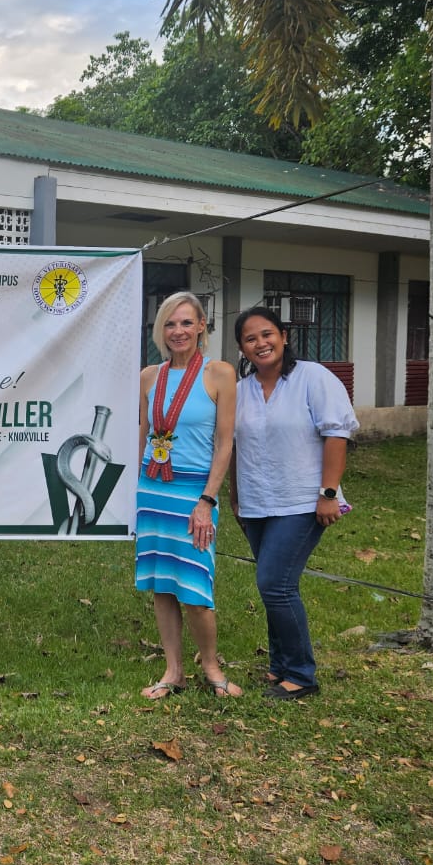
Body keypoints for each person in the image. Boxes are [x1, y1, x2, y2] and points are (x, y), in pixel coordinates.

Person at [230, 306, 358, 700]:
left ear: (284, 336)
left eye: (267, 334)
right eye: (250, 338)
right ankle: (279, 666)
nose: (260, 343)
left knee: (275, 584)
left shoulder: (313, 377)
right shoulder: (240, 391)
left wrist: (328, 494)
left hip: (302, 501)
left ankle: (301, 674)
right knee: (275, 585)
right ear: (242, 348)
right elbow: (233, 447)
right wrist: (235, 498)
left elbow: (337, 434)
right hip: (255, 503)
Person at [135, 292, 241, 699]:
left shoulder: (219, 374)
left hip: (194, 494)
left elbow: (224, 442)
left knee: (196, 589)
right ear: (161, 331)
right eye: (169, 324)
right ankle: (173, 670)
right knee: (162, 584)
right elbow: (145, 433)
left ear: (201, 327)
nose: (177, 331)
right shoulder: (149, 375)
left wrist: (208, 500)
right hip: (154, 489)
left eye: (185, 323)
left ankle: (211, 667)